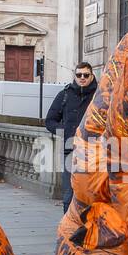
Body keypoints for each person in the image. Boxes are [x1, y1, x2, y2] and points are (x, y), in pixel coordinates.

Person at [45, 62, 98, 212]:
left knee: (91, 196)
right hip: (70, 151)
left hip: (93, 152)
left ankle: (88, 230)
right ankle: (68, 231)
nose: (82, 78)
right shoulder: (65, 95)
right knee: (68, 196)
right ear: (74, 76)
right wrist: (66, 131)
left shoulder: (100, 96)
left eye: (86, 75)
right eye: (79, 75)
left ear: (92, 76)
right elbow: (49, 121)